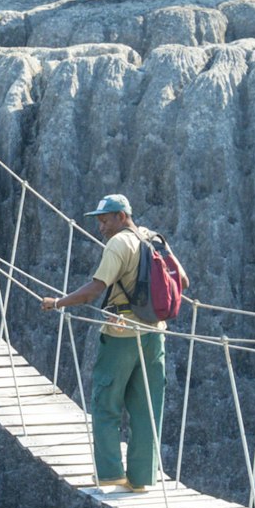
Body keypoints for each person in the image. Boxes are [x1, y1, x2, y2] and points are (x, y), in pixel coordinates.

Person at [45, 195, 170, 491]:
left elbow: (94, 290)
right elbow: (184, 282)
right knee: (147, 408)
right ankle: (141, 478)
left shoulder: (119, 244)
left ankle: (111, 472)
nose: (100, 226)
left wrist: (58, 303)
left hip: (122, 335)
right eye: (99, 220)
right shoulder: (154, 239)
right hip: (155, 335)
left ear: (122, 216)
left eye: (105, 219)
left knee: (105, 403)